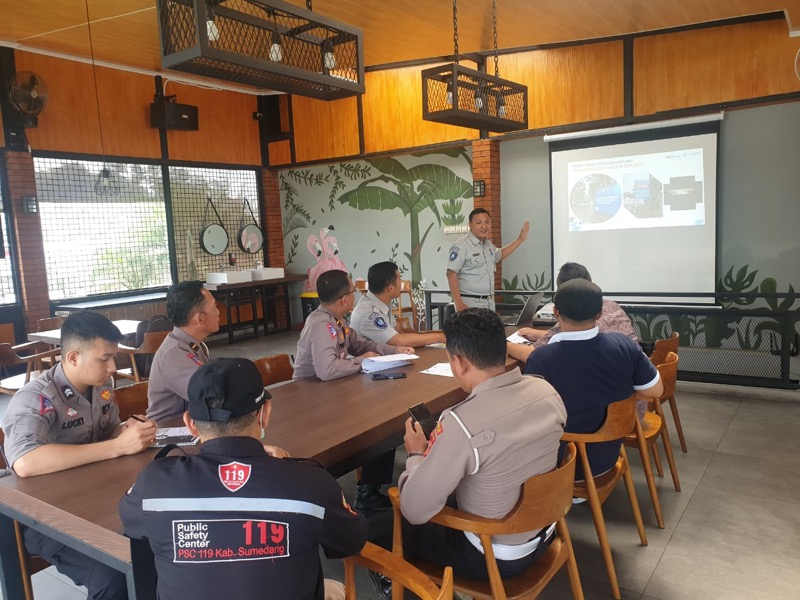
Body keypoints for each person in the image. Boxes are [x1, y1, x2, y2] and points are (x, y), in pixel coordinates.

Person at [120, 358, 366, 600]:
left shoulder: (153, 484)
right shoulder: (312, 483)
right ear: (264, 415)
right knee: (334, 588)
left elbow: (132, 523)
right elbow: (350, 540)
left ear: (190, 425)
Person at [395, 308, 566, 581]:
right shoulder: (547, 391)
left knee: (385, 525)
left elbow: (414, 511)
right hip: (547, 531)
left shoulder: (461, 423)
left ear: (460, 363)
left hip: (491, 556)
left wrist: (416, 454)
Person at [2, 311, 157, 600]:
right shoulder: (37, 398)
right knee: (112, 579)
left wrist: (127, 431)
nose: (113, 367)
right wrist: (116, 447)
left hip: (96, 498)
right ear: (73, 357)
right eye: (104, 359)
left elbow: (107, 431)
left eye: (115, 356)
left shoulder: (100, 389)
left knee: (158, 547)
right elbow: (25, 461)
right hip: (45, 516)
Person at [293, 269, 414, 513]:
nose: (355, 296)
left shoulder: (337, 320)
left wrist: (394, 351)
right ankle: (341, 500)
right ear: (344, 299)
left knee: (381, 422)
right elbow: (326, 370)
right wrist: (363, 362)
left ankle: (368, 490)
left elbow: (362, 344)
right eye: (352, 292)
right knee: (373, 427)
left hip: (333, 390)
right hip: (310, 399)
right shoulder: (320, 325)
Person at [523, 279, 663, 481]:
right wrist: (623, 395)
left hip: (564, 464)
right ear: (599, 313)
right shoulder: (623, 345)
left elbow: (530, 418)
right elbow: (655, 391)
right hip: (610, 456)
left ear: (556, 312)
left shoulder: (541, 358)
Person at [147, 280, 220, 422]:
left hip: (192, 424)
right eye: (214, 307)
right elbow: (209, 396)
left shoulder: (192, 345)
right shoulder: (174, 354)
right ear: (200, 319)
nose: (218, 312)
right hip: (171, 429)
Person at [446, 208, 530, 312]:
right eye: (478, 222)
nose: (484, 226)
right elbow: (451, 273)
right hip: (469, 303)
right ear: (470, 225)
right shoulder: (462, 245)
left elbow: (499, 255)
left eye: (487, 222)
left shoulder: (488, 244)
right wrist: (458, 304)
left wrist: (520, 239)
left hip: (489, 302)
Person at [350, 261, 445, 347]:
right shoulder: (368, 313)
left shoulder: (382, 303)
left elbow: (398, 331)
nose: (401, 282)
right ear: (391, 288)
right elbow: (398, 341)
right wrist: (440, 337)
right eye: (399, 279)